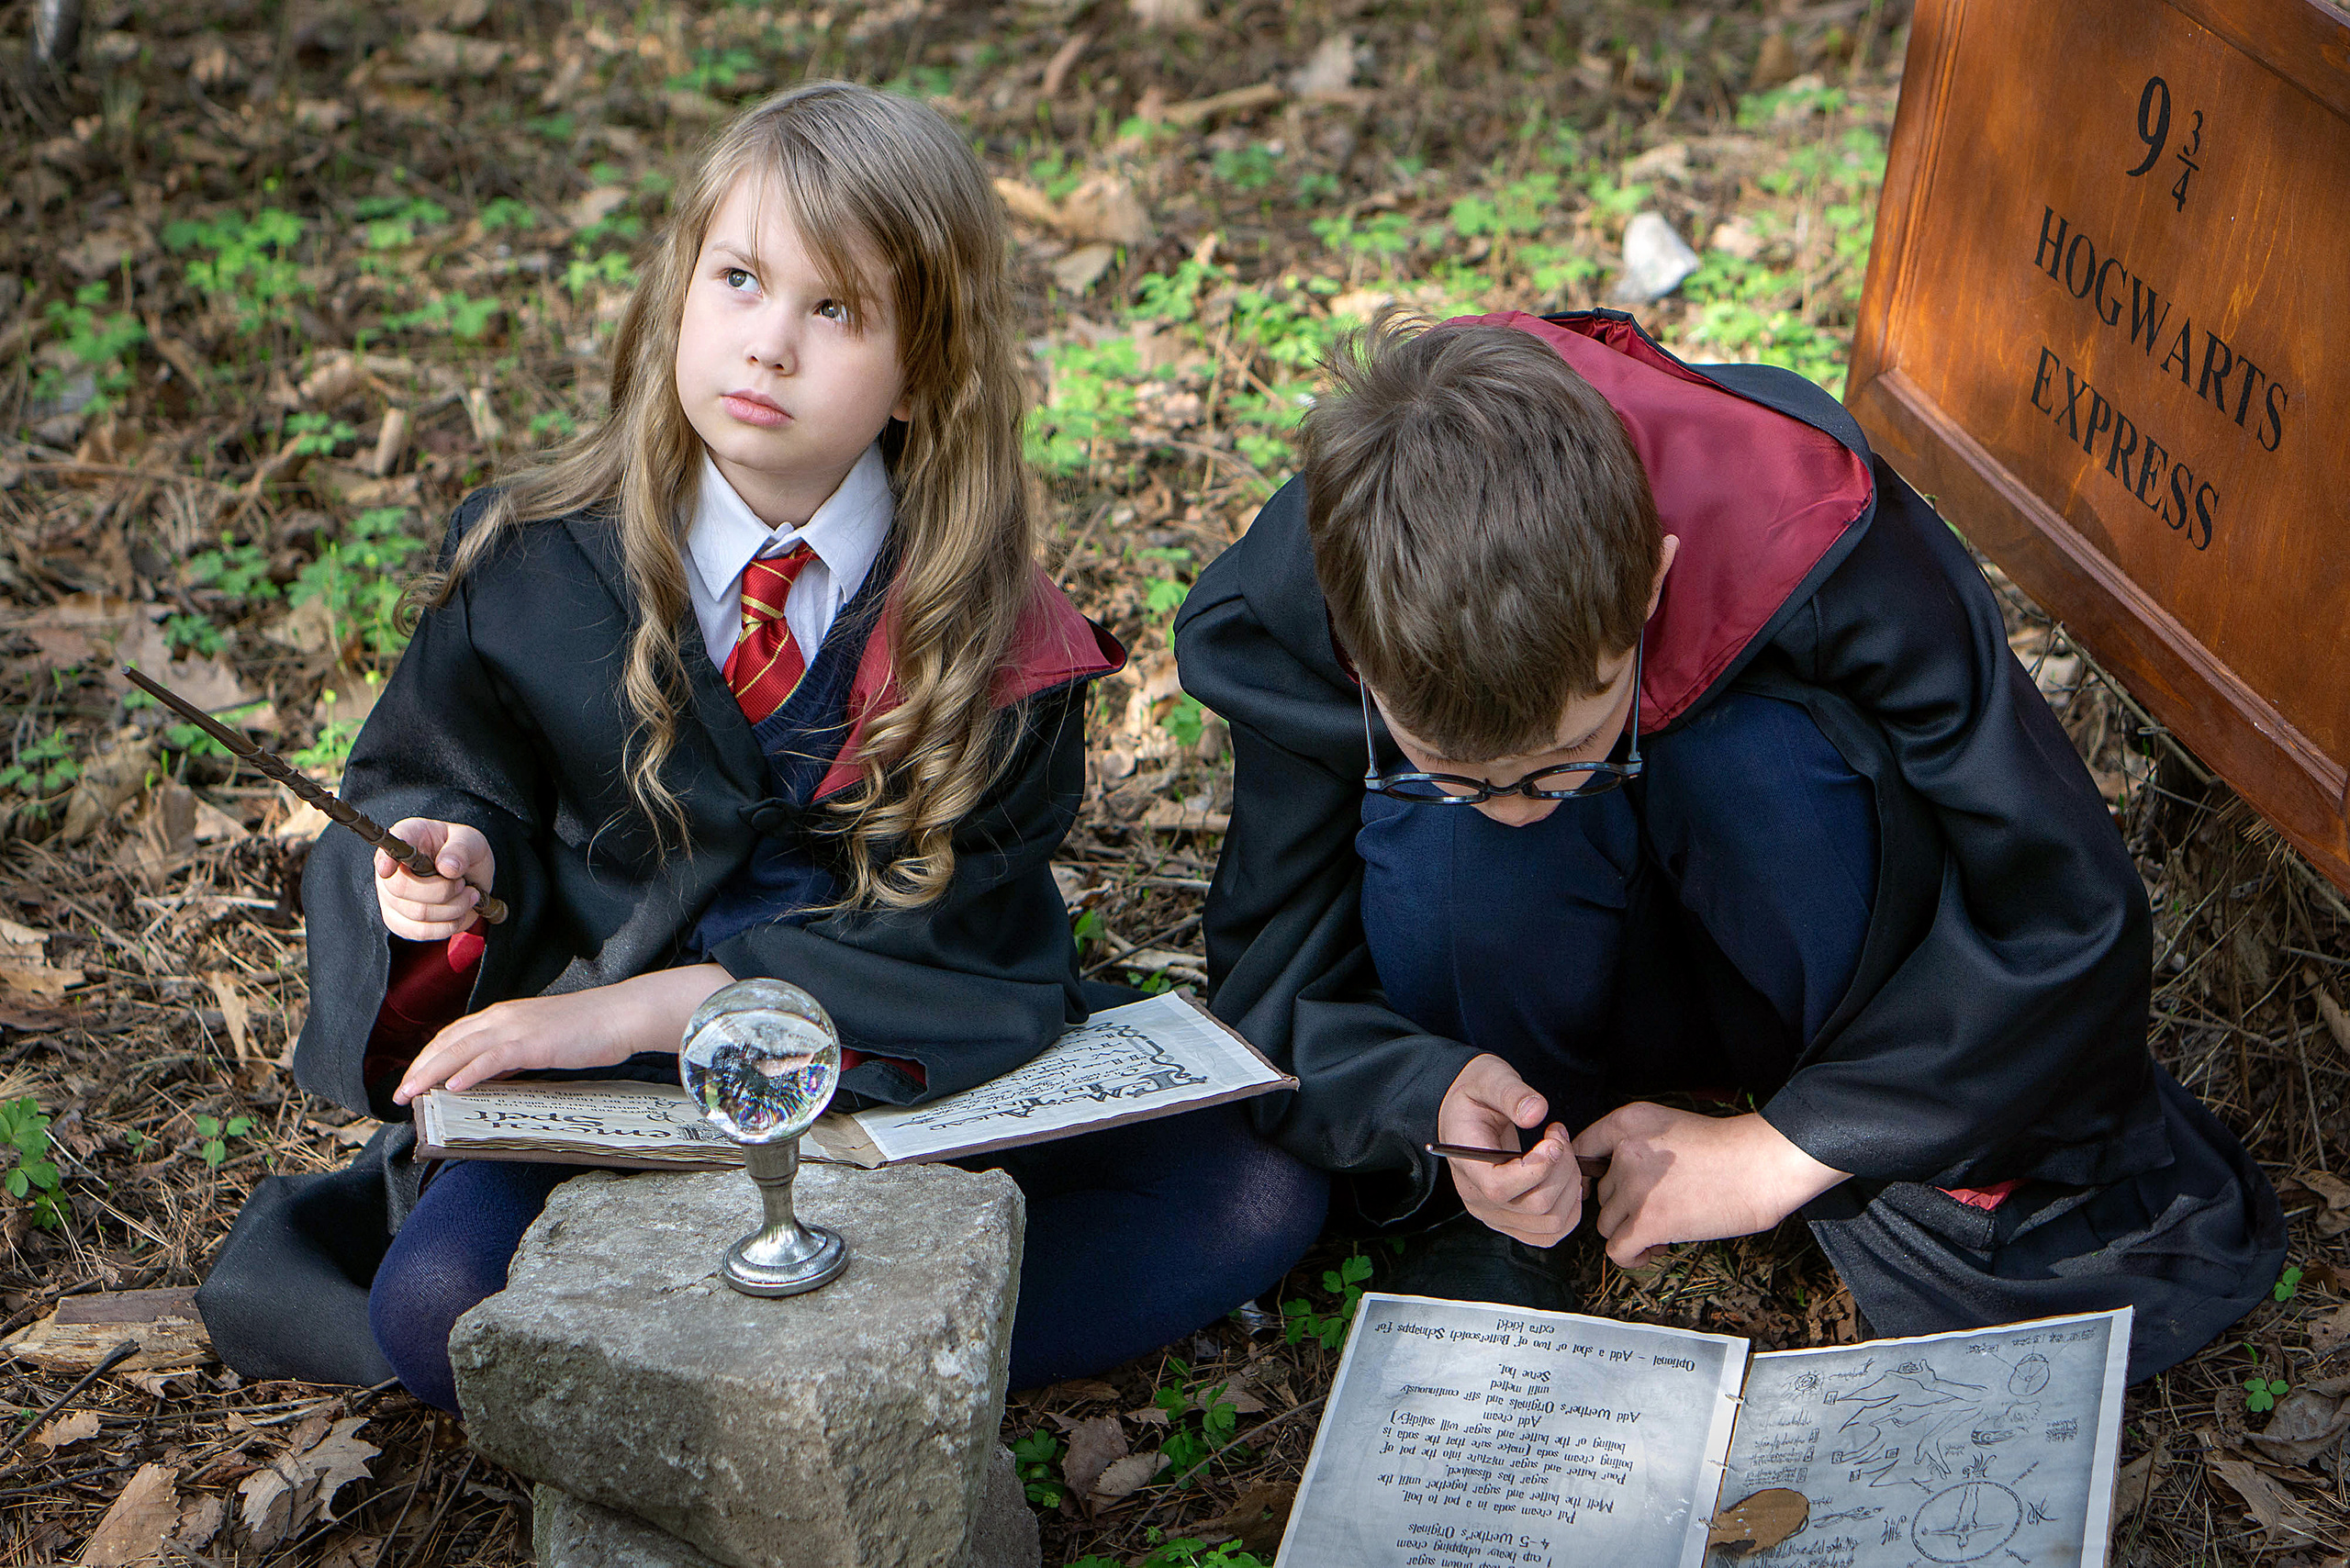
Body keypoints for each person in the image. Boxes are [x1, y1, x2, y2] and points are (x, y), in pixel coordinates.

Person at [198, 82, 1326, 1407]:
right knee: (442, 1307)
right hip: (611, 1089)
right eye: (739, 279)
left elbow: (960, 945)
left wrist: (648, 1008)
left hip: (893, 1074)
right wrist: (448, 860)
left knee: (1253, 1193)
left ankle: (749, 1387)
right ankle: (837, 1377)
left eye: (836, 310)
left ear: (927, 372)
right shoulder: (532, 562)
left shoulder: (992, 631)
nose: (769, 344)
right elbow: (437, 773)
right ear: (681, 291)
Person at [1174, 309, 2282, 1383]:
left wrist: (1783, 1148)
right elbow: (1273, 980)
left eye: (1567, 749)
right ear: (1356, 659)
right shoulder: (1313, 603)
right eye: (1457, 769)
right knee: (1458, 849)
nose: (1519, 806)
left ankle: (1820, 1124)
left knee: (1748, 758)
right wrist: (1425, 1090)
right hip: (1529, 996)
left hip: (1812, 978)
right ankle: (1522, 1205)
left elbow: (2060, 907)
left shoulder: (1806, 525)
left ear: (1650, 582)